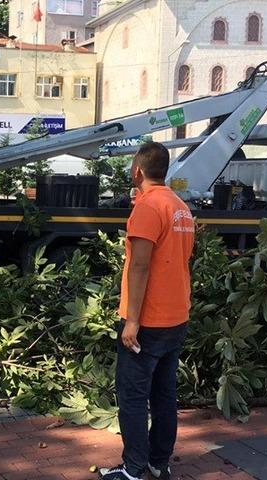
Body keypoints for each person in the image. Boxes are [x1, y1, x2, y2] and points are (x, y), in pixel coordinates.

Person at [99, 143, 195, 480]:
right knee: (165, 394)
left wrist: (133, 321)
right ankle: (158, 462)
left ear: (137, 171)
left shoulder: (149, 207)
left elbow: (139, 266)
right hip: (176, 316)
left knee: (134, 396)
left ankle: (134, 469)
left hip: (149, 320)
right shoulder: (180, 207)